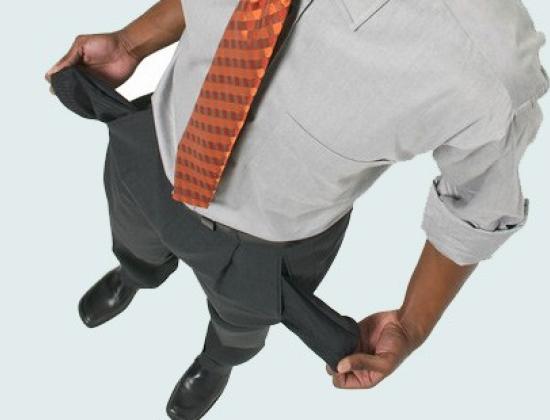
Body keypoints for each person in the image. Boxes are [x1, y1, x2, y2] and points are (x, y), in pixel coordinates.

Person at [45, 0, 549, 419]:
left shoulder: (492, 66)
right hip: (155, 149)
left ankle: (218, 361)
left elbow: (476, 208)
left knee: (238, 325)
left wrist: (412, 325)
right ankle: (136, 274)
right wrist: (132, 42)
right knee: (133, 239)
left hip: (266, 247)